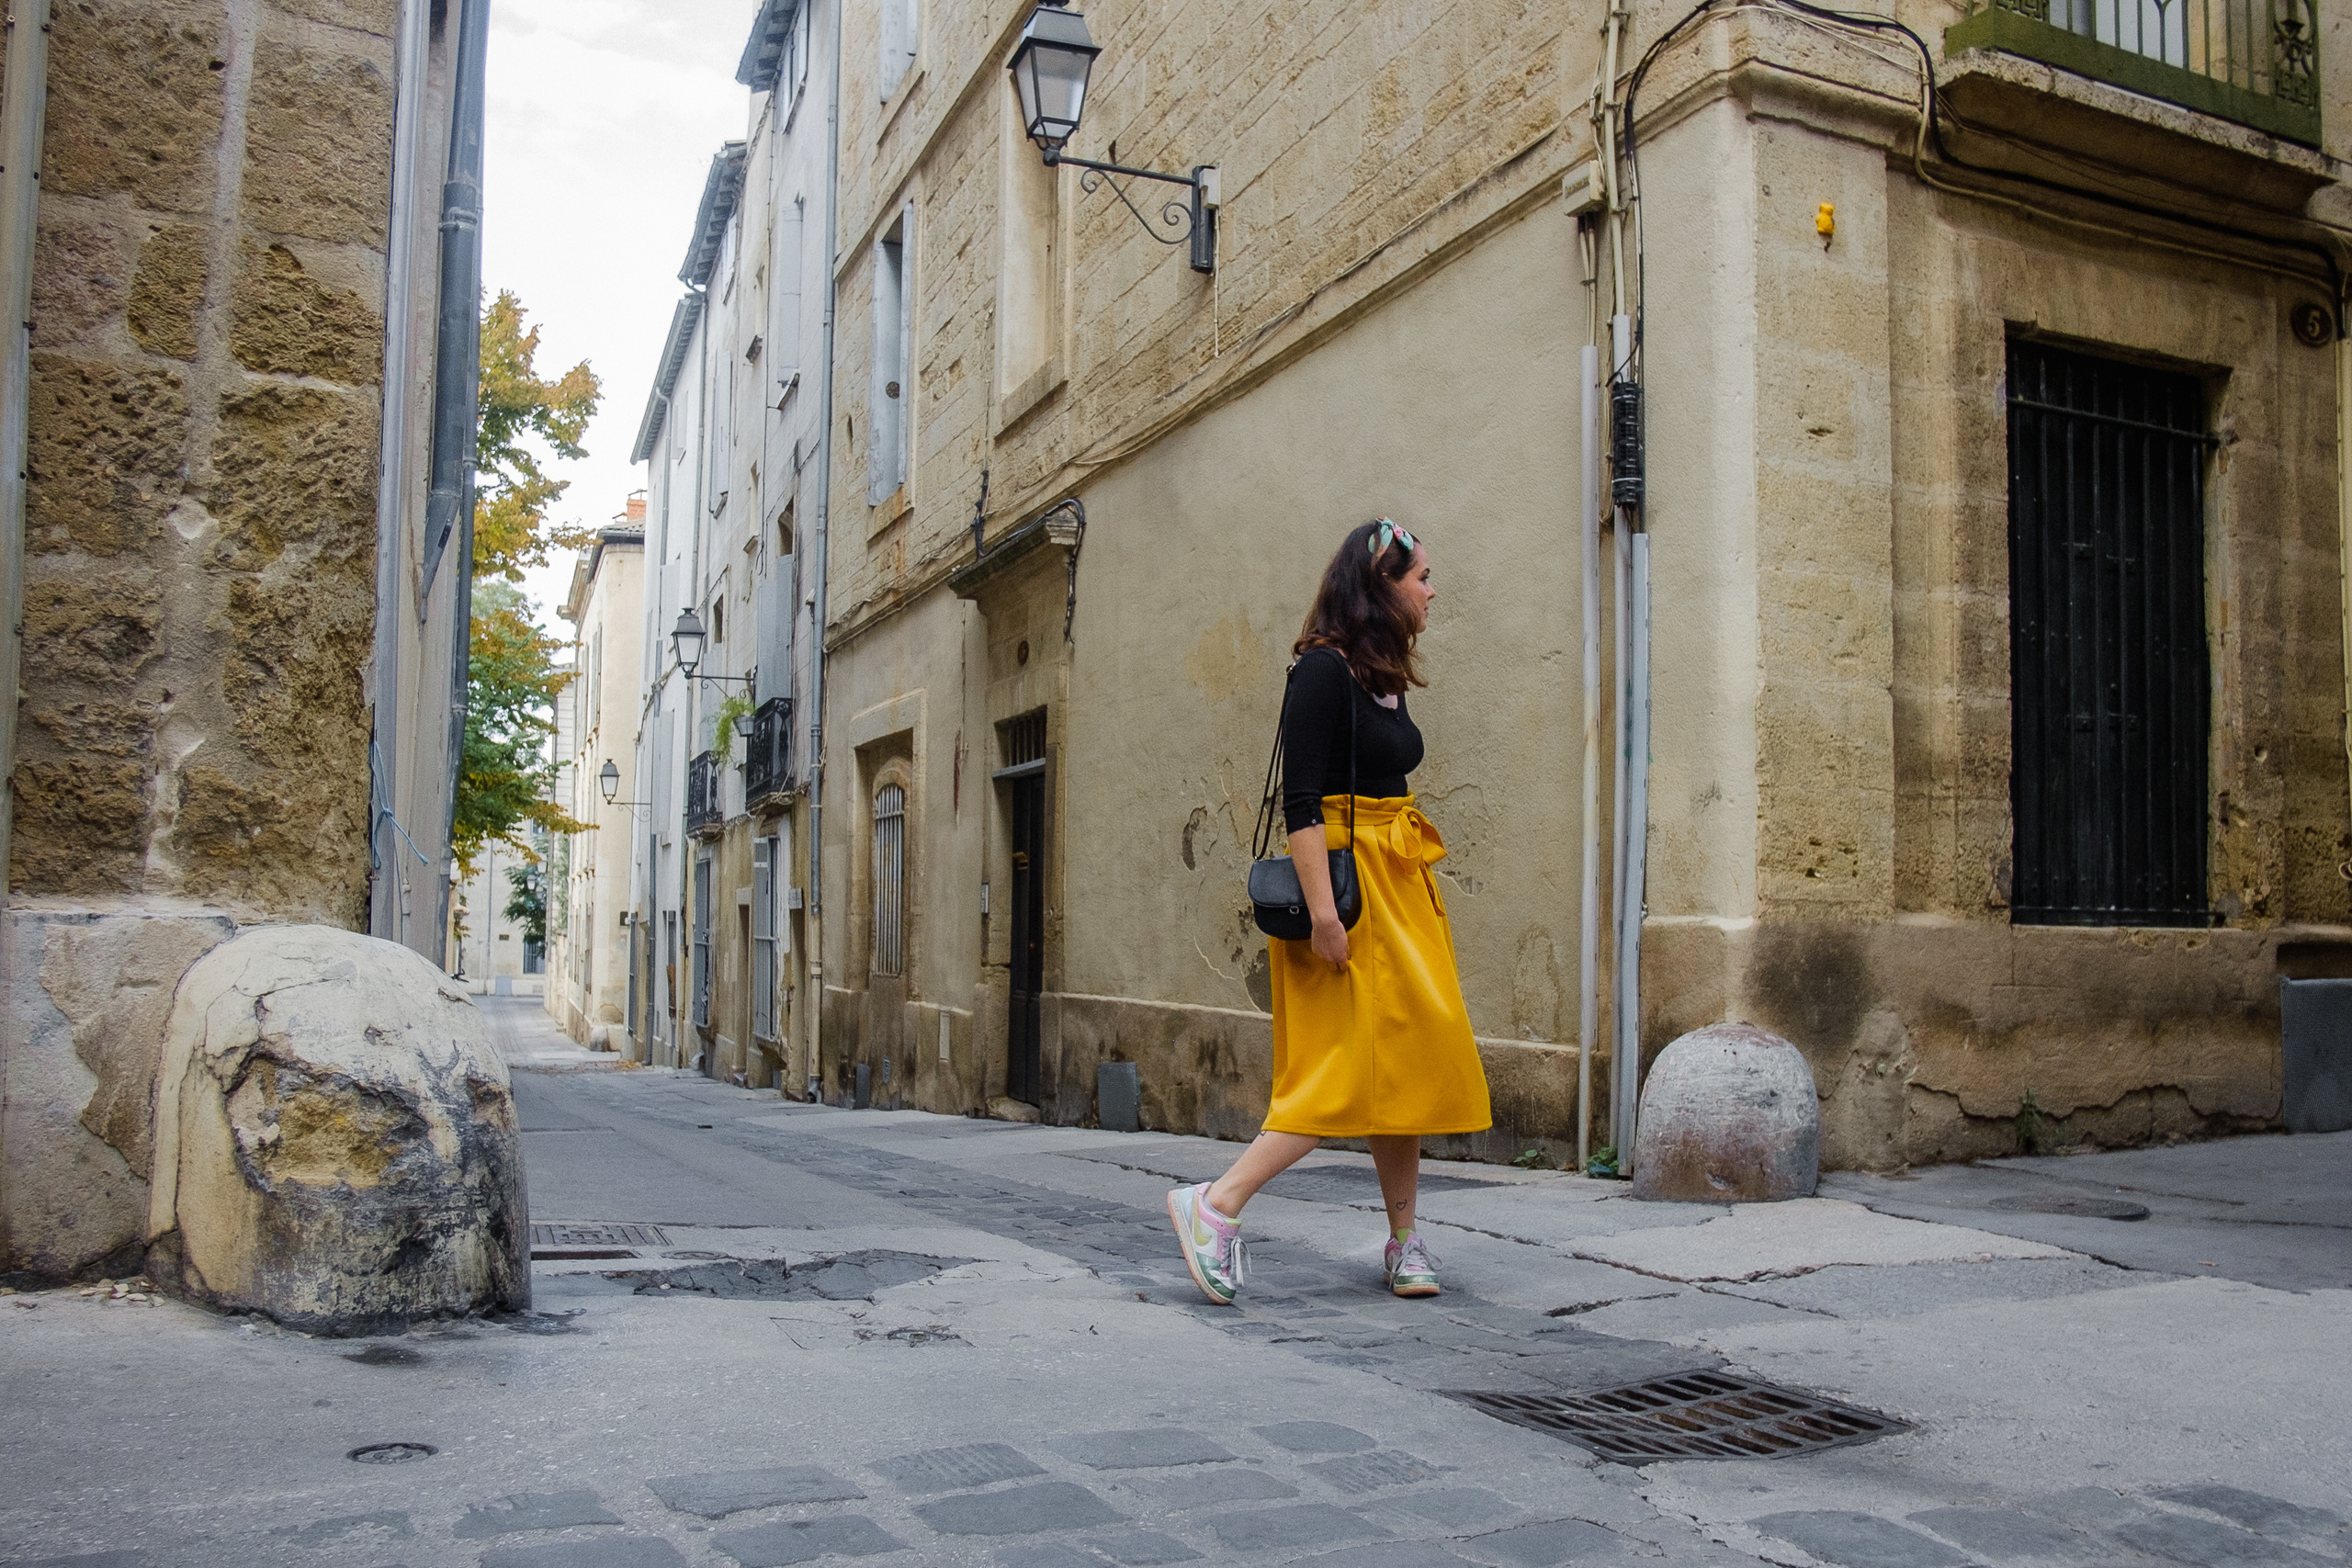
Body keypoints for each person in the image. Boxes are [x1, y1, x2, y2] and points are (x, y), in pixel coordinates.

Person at [1167, 518, 1492, 1304]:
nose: (1431, 588)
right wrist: (1323, 916)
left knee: (1409, 1066)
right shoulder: (1320, 673)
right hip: (1346, 896)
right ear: (1379, 585)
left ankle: (1405, 1241)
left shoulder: (1382, 675)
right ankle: (1215, 1204)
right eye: (1420, 575)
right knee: (1335, 1075)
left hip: (1399, 884)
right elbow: (1303, 805)